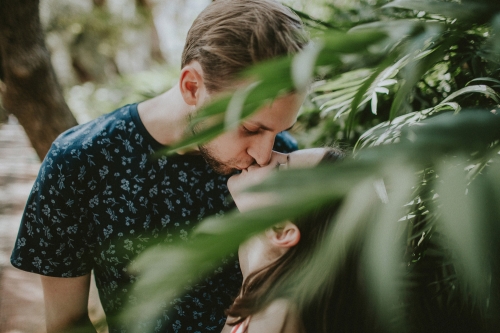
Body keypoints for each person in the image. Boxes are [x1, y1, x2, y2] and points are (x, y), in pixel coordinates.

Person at [10, 1, 309, 332]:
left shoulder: (284, 161)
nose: (265, 154)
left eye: (280, 130)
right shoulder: (79, 162)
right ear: (192, 86)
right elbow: (67, 323)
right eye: (251, 129)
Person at [222, 148, 345, 333]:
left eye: (281, 167)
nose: (265, 156)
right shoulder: (255, 306)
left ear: (281, 231)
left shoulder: (275, 320)